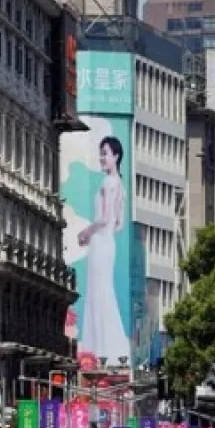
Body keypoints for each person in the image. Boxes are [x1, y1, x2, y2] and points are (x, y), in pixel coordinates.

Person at [76, 134, 132, 362]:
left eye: (105, 153)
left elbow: (106, 216)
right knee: (103, 291)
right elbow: (118, 223)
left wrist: (87, 232)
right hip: (109, 242)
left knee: (98, 293)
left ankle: (98, 348)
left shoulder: (108, 183)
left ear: (116, 156)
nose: (101, 158)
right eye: (101, 153)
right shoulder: (121, 185)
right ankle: (109, 348)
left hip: (100, 241)